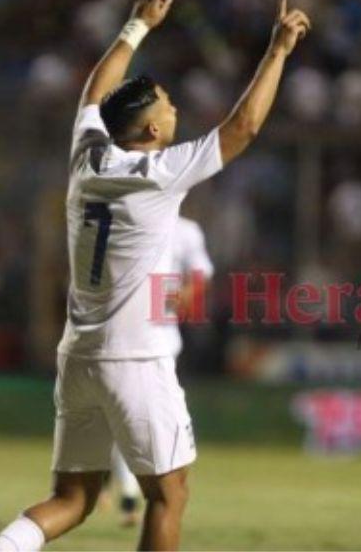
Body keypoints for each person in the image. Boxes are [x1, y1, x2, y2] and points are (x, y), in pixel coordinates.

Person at [0, 0, 310, 552]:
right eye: (169, 103)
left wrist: (137, 26)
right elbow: (244, 127)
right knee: (169, 495)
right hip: (136, 358)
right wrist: (278, 52)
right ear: (154, 127)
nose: (176, 107)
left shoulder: (87, 156)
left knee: (72, 500)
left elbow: (94, 93)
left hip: (79, 354)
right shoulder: (160, 174)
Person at [107, 214, 215, 528]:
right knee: (126, 413)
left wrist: (183, 297)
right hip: (125, 338)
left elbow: (201, 274)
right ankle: (130, 495)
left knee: (153, 419)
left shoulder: (186, 230)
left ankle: (133, 486)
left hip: (163, 340)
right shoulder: (124, 223)